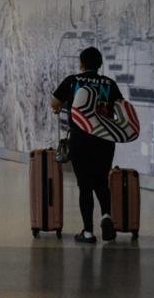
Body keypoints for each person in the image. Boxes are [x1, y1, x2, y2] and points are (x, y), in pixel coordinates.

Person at [51, 47, 122, 244]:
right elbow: (121, 109)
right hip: (105, 139)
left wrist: (59, 108)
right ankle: (106, 216)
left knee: (84, 185)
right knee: (101, 181)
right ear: (100, 65)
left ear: (81, 64)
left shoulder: (73, 81)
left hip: (81, 139)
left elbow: (54, 102)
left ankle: (88, 232)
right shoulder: (109, 83)